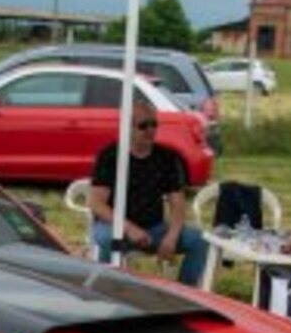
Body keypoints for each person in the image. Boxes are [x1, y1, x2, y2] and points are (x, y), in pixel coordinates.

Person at [88, 101, 209, 287]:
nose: (150, 130)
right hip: (116, 227)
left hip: (155, 229)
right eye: (143, 125)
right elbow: (96, 203)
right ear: (127, 127)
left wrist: (172, 236)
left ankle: (185, 293)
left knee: (200, 241)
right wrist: (129, 228)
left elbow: (177, 202)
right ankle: (105, 290)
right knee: (105, 239)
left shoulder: (167, 157)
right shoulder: (110, 156)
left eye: (154, 124)